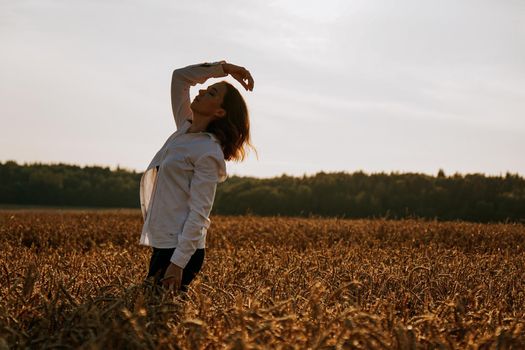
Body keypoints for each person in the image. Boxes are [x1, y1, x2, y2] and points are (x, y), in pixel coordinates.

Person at [139, 60, 255, 292]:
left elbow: (200, 214)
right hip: (164, 244)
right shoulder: (185, 127)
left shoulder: (209, 153)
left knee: (155, 318)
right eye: (207, 87)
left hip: (179, 252)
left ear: (220, 111)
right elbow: (179, 77)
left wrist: (177, 263)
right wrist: (224, 68)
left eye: (211, 92)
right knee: (153, 317)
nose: (202, 90)